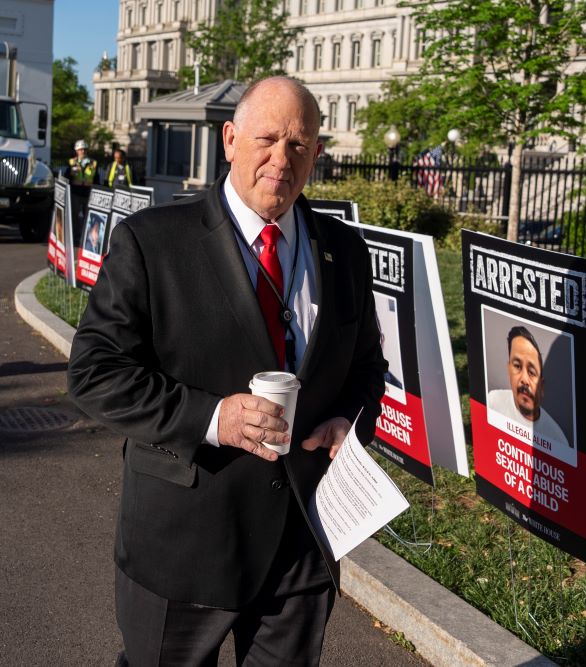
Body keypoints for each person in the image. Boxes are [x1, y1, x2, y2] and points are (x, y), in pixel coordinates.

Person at [67, 76, 387, 665]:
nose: (280, 158)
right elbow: (94, 373)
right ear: (230, 139)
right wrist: (213, 417)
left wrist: (350, 420)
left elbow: (368, 366)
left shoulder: (345, 250)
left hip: (301, 544)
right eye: (266, 138)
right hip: (185, 543)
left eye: (299, 144)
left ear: (317, 153)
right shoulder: (152, 242)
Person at [487, 325, 573, 465]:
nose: (524, 379)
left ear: (542, 387)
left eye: (532, 372)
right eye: (517, 366)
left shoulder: (558, 439)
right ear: (508, 369)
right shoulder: (492, 402)